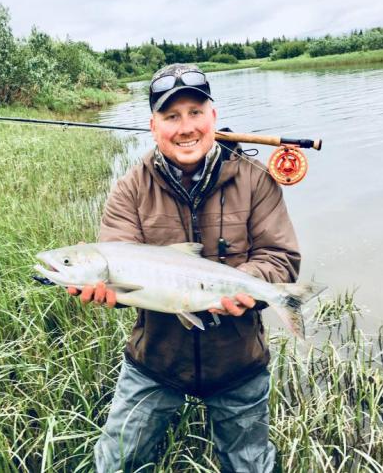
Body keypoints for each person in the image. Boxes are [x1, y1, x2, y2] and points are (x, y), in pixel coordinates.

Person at [69, 63, 300, 472]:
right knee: (114, 463)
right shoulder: (130, 189)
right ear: (153, 125)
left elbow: (280, 259)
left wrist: (249, 290)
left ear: (213, 116)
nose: (185, 127)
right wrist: (107, 292)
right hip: (156, 360)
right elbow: (121, 261)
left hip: (239, 361)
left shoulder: (255, 179)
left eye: (195, 112)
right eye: (171, 116)